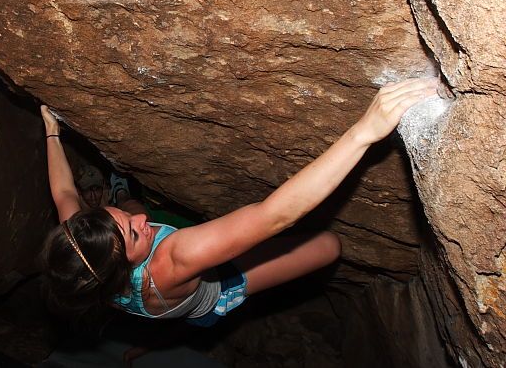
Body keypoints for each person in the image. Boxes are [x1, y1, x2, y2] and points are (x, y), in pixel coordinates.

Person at [38, 77, 440, 327]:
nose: (141, 220)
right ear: (121, 265)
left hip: (165, 281)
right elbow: (273, 216)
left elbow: (64, 194)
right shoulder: (176, 257)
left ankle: (121, 192)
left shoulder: (85, 250)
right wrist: (363, 132)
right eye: (133, 232)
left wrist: (51, 131)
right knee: (329, 247)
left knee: (129, 208)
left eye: (118, 216)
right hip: (214, 292)